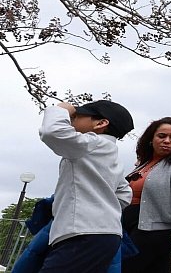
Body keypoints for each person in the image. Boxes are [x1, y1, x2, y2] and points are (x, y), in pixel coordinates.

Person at [37, 100, 134, 273]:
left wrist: (61, 110)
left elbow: (52, 132)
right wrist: (102, 210)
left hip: (82, 233)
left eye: (76, 116)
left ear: (101, 123)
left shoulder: (92, 143)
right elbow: (124, 193)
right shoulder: (111, 154)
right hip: (105, 235)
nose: (72, 119)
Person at [121, 117, 171, 273]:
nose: (167, 141)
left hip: (155, 230)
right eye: (162, 136)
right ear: (151, 139)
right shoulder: (144, 164)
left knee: (124, 267)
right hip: (130, 226)